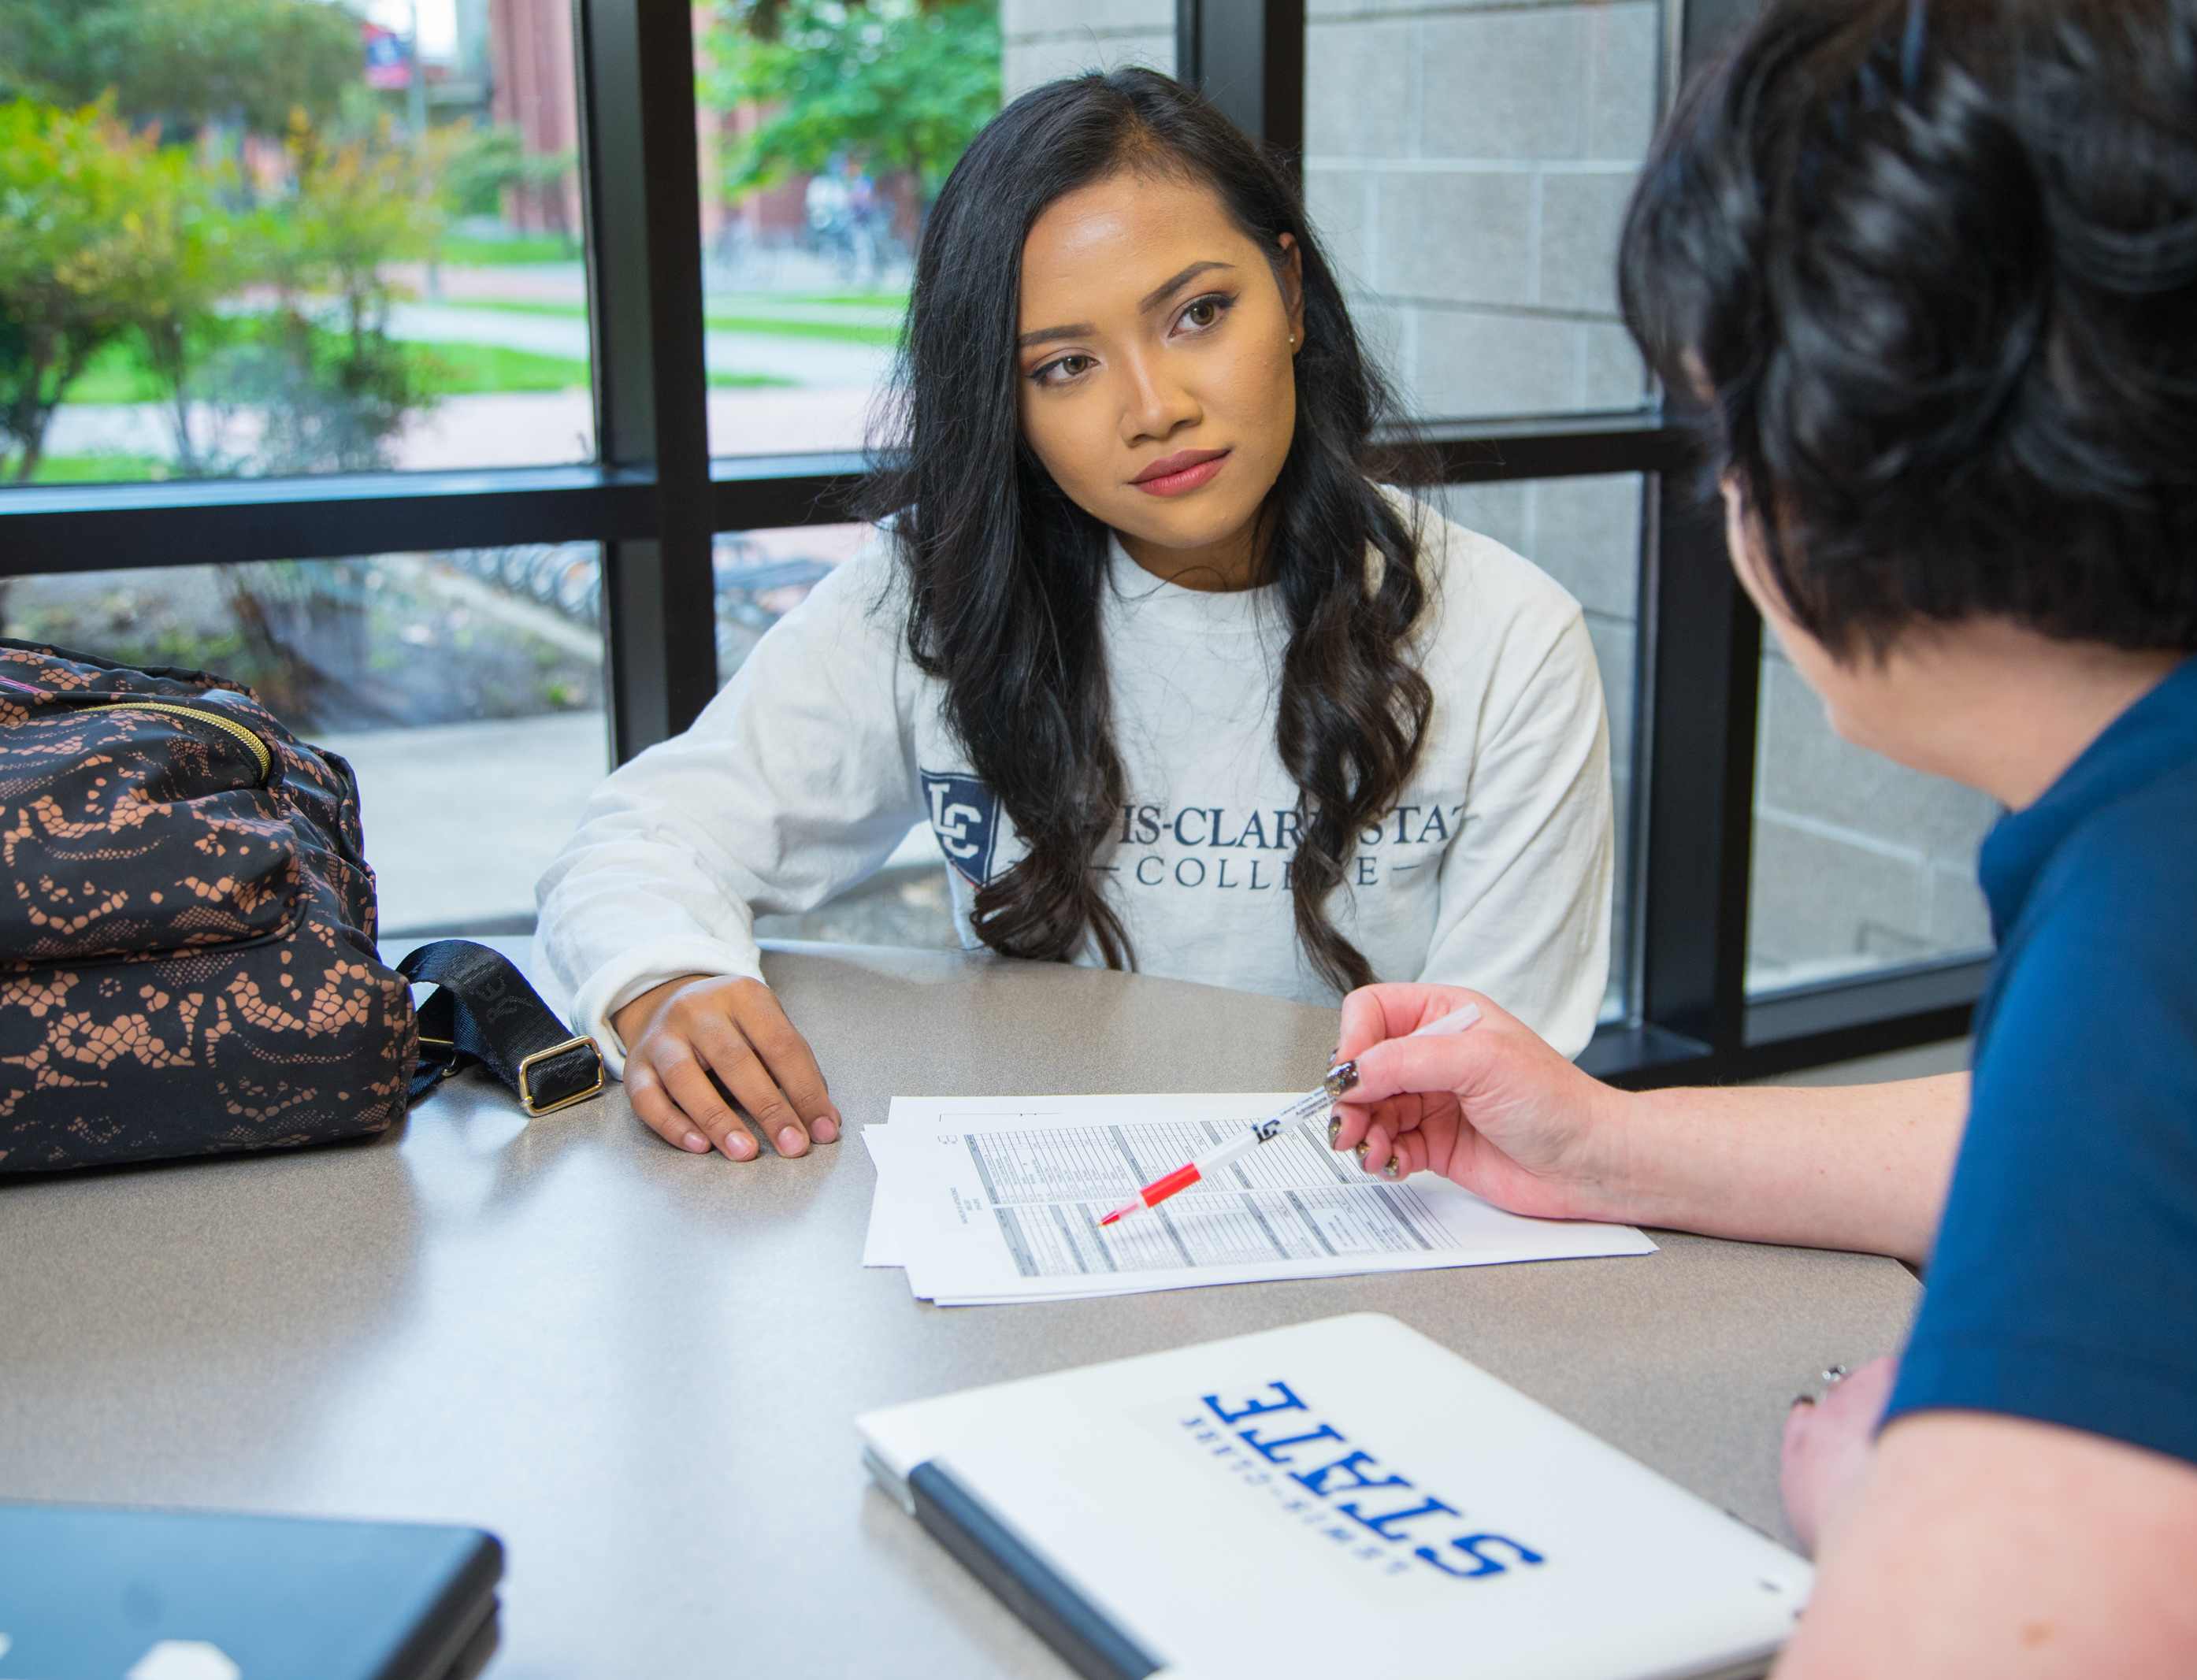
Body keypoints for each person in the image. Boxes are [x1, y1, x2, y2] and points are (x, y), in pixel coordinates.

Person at [1328, 0, 2197, 1674]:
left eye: (1729, 434)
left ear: (1876, 460)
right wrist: (1605, 1145)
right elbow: (2129, 1136)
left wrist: (1902, 1514)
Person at [536, 69, 1615, 1163]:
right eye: (1065, 366)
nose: (1156, 409)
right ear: (1006, 403)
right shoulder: (937, 589)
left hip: (1374, 1210)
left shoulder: (1510, 640)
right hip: (1032, 1207)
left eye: (1199, 314)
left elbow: (1496, 1095)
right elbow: (641, 839)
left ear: (1291, 293)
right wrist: (665, 978)